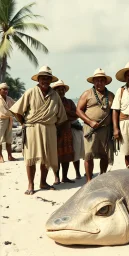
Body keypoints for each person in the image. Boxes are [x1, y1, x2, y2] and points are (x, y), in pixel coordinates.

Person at [9, 66, 67, 195]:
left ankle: (43, 182)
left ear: (51, 80)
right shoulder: (30, 92)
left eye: (47, 78)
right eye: (43, 78)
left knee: (46, 158)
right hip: (32, 128)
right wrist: (23, 123)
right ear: (38, 79)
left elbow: (61, 116)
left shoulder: (55, 95)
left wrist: (57, 130)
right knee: (31, 158)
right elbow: (16, 110)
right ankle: (31, 184)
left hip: (50, 128)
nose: (45, 81)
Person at [76, 68, 114, 182]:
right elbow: (78, 110)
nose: (99, 83)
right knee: (88, 155)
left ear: (105, 82)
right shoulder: (87, 94)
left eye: (102, 80)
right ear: (93, 82)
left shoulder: (111, 95)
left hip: (106, 130)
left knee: (105, 155)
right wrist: (90, 121)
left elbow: (115, 112)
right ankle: (89, 180)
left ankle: (102, 177)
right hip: (90, 129)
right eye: (97, 80)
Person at [52, 80, 83, 184]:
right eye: (58, 89)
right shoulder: (52, 102)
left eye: (62, 89)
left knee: (67, 155)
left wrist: (64, 114)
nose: (61, 91)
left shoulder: (69, 102)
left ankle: (64, 177)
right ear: (55, 91)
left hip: (67, 131)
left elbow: (76, 114)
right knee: (55, 156)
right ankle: (56, 177)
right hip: (55, 131)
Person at [0, 82, 17, 162]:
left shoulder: (9, 99)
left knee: (9, 139)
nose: (6, 91)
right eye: (4, 89)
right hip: (0, 120)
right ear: (0, 90)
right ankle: (0, 156)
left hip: (9, 120)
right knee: (0, 139)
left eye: (7, 89)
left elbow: (16, 106)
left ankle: (10, 156)